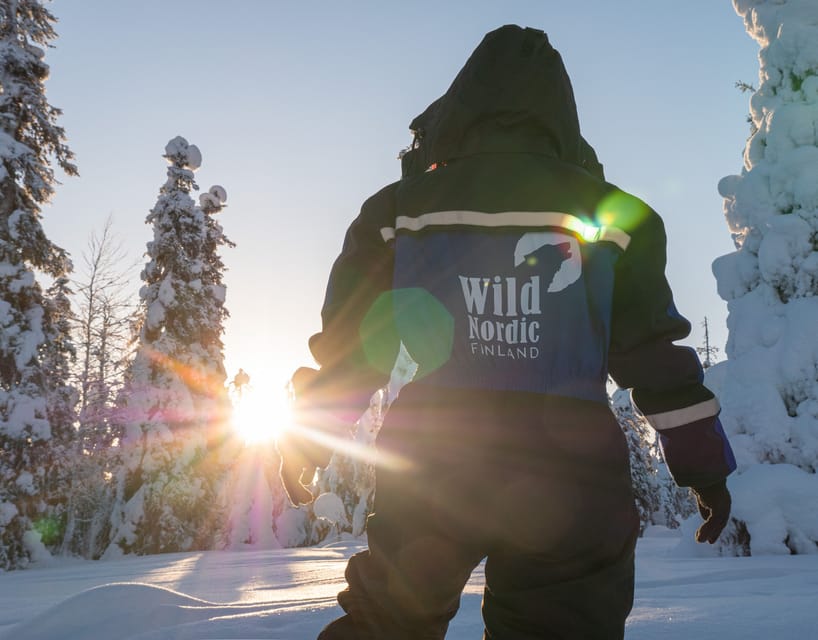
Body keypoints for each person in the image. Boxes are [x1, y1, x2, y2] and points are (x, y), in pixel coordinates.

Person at [277, 25, 736, 640]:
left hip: (435, 461)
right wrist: (704, 464)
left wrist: (311, 434)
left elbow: (354, 343)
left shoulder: (396, 213)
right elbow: (651, 351)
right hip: (570, 473)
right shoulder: (616, 218)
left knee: (389, 623)